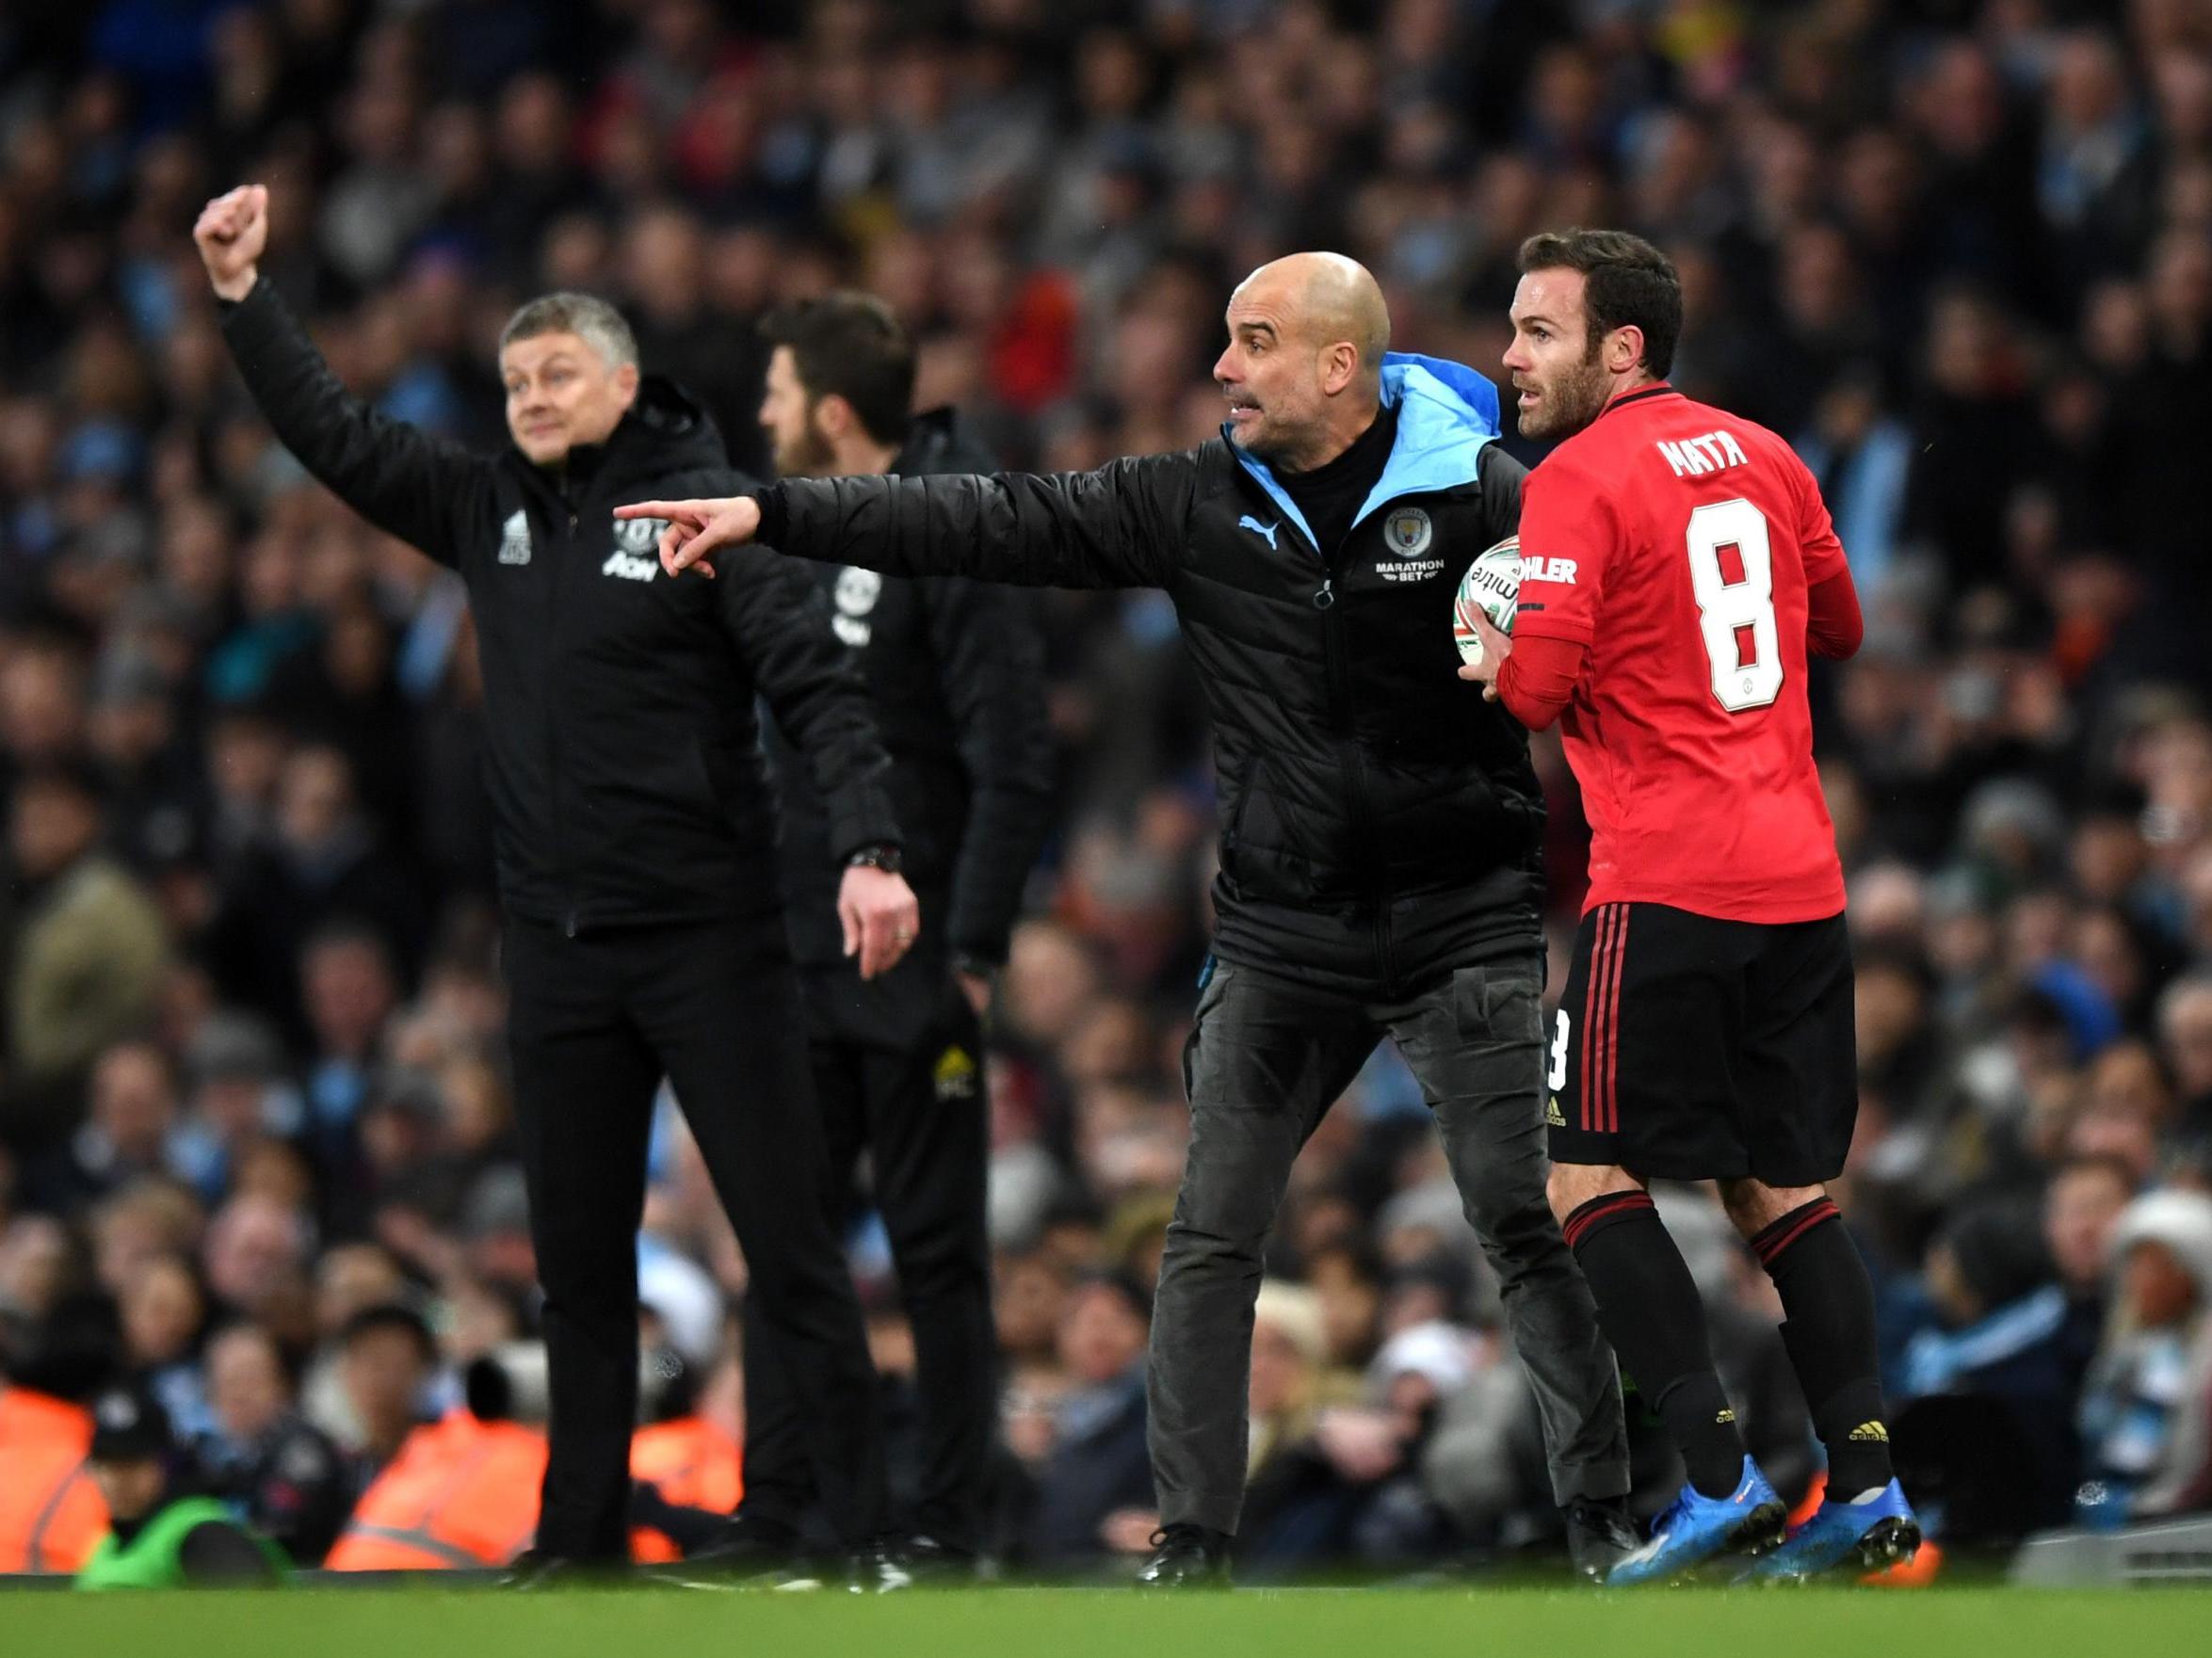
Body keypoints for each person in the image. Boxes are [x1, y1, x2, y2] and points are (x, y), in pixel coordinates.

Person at [623, 250, 1635, 1586]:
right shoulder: (1194, 499)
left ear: (1340, 364)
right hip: (1283, 930)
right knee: (1210, 1233)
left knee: (1519, 1216)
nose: (1222, 368)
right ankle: (1191, 1545)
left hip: (1465, 922)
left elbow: (1621, 628)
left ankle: (1605, 1519)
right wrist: (772, 514)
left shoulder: (1489, 496)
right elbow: (984, 517)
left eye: (1254, 341)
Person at [191, 184, 910, 1586]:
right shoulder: (483, 509)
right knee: (578, 1275)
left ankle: (859, 1536)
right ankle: (578, 1539)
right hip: (559, 953)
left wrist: (872, 850)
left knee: (789, 1246)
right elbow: (332, 439)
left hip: (711, 941)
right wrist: (242, 299)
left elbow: (819, 689)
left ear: (624, 380)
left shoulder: (709, 504)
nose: (529, 396)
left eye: (557, 373)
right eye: (515, 378)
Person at [1456, 227, 1918, 1584]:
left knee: (1584, 1170)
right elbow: (1835, 627)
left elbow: (1531, 691)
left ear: (1622, 346)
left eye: (1537, 331)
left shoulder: (1574, 479)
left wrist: (1491, 643)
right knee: (1781, 1189)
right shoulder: (1769, 453)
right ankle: (1871, 1489)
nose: (1509, 356)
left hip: (1661, 881)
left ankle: (1715, 1485)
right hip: (1799, 880)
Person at [726, 293, 1052, 1576]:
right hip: (800, 953)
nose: (761, 413)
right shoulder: (799, 528)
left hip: (917, 972)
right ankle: (783, 1520)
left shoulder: (952, 522)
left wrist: (971, 954)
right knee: (782, 1243)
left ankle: (947, 1527)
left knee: (935, 1256)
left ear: (833, 411)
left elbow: (1012, 758)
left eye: (777, 390)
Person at [75, 1385, 286, 1588]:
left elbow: (257, 1610)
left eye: (131, 1464)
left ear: (165, 1463)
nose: (116, 1480)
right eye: (105, 1464)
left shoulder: (201, 1533)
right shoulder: (107, 1544)